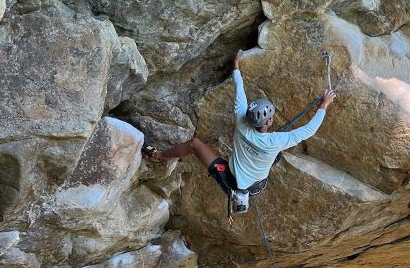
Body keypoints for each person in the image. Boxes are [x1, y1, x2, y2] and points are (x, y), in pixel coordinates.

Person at [143, 50, 335, 210]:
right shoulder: (277, 141)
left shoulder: (241, 121)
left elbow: (239, 88)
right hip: (256, 185)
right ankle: (242, 194)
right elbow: (309, 130)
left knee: (194, 144)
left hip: (228, 175)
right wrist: (324, 105)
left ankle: (159, 155)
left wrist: (236, 63)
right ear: (270, 121)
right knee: (276, 154)